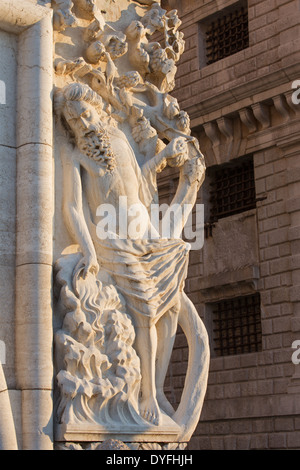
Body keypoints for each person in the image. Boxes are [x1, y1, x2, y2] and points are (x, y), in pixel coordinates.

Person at [55, 82, 205, 426]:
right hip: (113, 240)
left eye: (86, 114)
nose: (84, 123)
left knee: (168, 304)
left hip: (147, 234)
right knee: (147, 311)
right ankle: (148, 394)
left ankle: (158, 387)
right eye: (75, 122)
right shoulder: (74, 154)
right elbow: (73, 208)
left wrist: (164, 158)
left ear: (96, 107)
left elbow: (139, 182)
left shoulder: (120, 139)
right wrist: (89, 250)